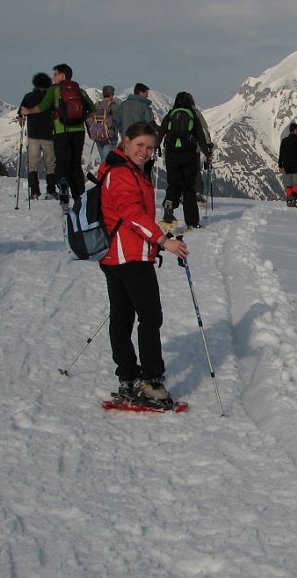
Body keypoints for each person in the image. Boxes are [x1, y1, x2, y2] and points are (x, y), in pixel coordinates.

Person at [98, 121, 189, 403]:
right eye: (140, 145)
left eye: (150, 147)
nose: (145, 152)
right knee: (150, 317)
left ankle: (128, 376)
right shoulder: (122, 173)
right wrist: (163, 241)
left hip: (115, 255)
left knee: (122, 317)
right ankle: (150, 381)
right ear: (126, 141)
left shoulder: (121, 169)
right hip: (130, 256)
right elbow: (132, 213)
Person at [19, 64, 95, 202]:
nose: (53, 77)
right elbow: (92, 108)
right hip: (79, 131)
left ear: (62, 76)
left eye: (55, 74)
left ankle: (63, 187)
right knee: (76, 163)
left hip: (61, 131)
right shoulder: (80, 91)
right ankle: (79, 194)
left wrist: (28, 111)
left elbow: (43, 106)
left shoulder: (54, 90)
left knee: (61, 162)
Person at [157, 92, 212, 229]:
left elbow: (161, 133)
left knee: (173, 184)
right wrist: (208, 154)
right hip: (189, 156)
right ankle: (192, 222)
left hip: (171, 155)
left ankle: (169, 203)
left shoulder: (170, 114)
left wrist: (156, 146)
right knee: (189, 188)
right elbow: (200, 136)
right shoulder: (193, 115)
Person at [17, 72, 57, 200]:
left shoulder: (28, 97)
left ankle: (34, 191)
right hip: (48, 135)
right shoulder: (50, 97)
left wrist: (23, 122)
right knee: (50, 164)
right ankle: (51, 191)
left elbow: (21, 116)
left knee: (32, 164)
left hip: (33, 135)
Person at [86, 85, 121, 165]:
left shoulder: (97, 105)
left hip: (98, 135)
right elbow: (118, 120)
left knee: (103, 158)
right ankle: (103, 175)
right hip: (110, 136)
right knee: (107, 161)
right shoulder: (114, 106)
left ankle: (101, 174)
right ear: (111, 94)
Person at [278, 122, 297, 206]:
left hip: (286, 165)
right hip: (296, 166)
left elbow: (281, 153)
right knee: (296, 184)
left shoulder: (284, 141)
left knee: (289, 184)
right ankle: (293, 198)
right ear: (296, 130)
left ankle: (289, 199)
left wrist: (280, 165)